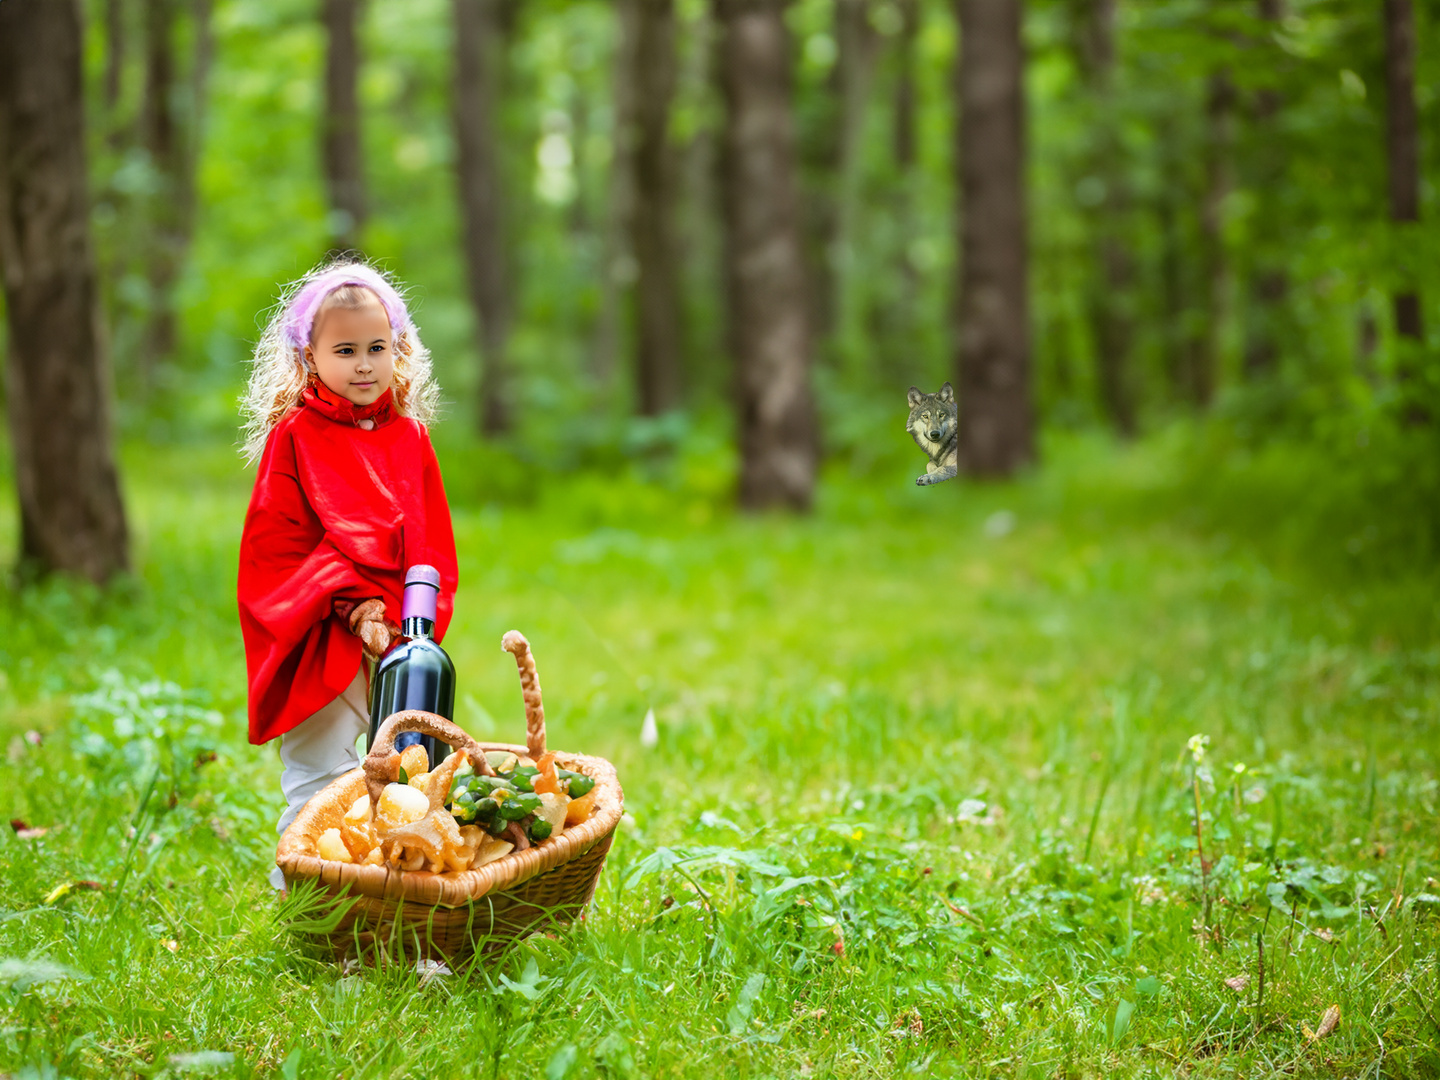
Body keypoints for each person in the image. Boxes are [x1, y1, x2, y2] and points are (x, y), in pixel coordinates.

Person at [237, 260, 458, 890]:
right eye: (345, 350)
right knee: (321, 772)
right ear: (310, 357)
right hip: (318, 633)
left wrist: (409, 624)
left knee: (407, 775)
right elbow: (278, 544)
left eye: (376, 348)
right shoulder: (296, 437)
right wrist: (351, 602)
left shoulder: (411, 439)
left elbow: (430, 544)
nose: (363, 364)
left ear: (399, 350)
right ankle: (305, 899)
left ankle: (393, 897)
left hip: (397, 638)